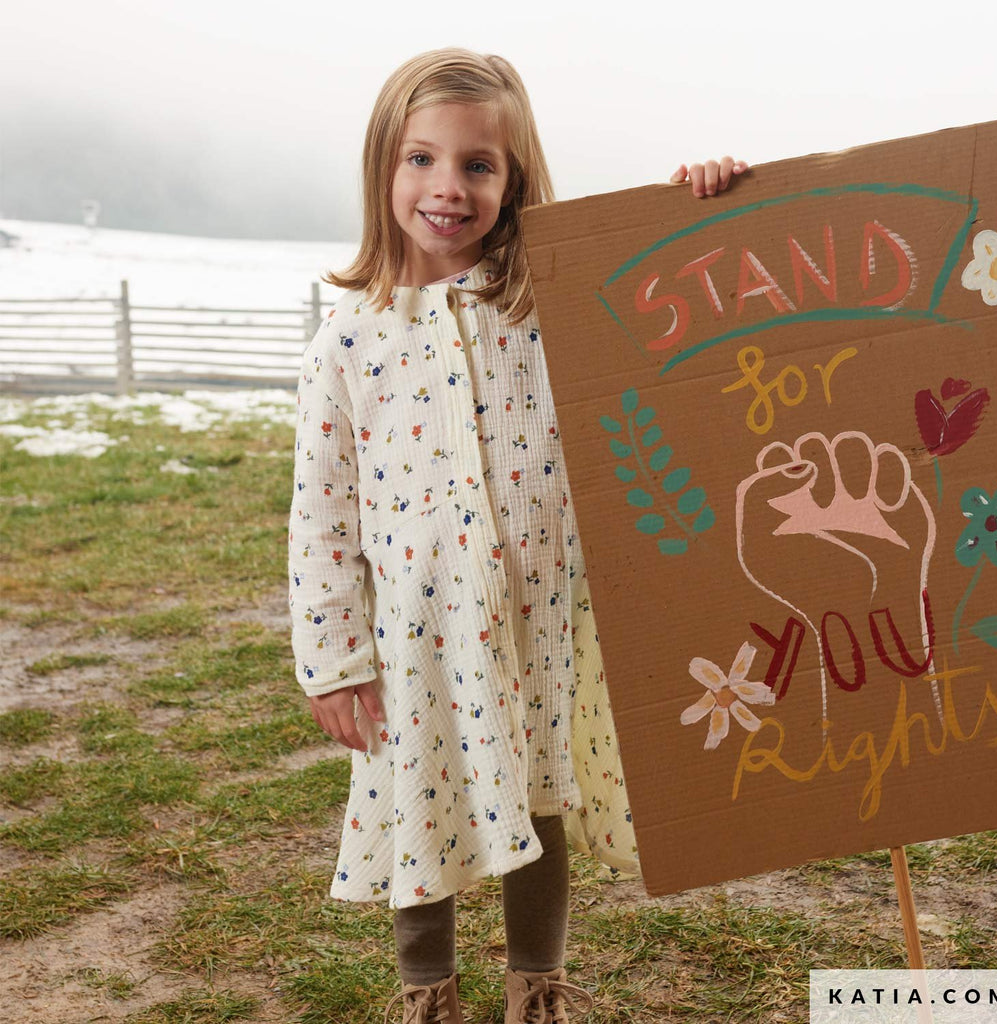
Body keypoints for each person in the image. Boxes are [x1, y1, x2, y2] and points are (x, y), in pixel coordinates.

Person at [288, 48, 747, 1024]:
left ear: (516, 176)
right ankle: (427, 992)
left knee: (538, 797)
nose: (447, 187)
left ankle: (535, 983)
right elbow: (320, 511)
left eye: (477, 165)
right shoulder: (349, 340)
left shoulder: (556, 307)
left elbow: (677, 323)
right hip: (416, 637)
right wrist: (333, 657)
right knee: (421, 799)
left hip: (536, 620)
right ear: (383, 168)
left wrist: (693, 209)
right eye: (420, 159)